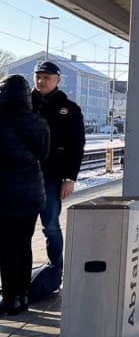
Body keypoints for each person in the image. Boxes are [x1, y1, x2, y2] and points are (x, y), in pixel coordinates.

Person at [31, 60, 85, 289]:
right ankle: (21, 274)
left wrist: (70, 178)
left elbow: (76, 146)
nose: (42, 81)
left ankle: (56, 270)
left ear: (57, 80)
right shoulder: (23, 104)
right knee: (19, 229)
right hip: (23, 179)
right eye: (39, 77)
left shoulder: (69, 109)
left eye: (47, 77)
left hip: (53, 178)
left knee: (50, 226)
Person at [0, 75, 50, 315]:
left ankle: (10, 299)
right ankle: (23, 295)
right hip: (31, 194)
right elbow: (43, 154)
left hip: (5, 194)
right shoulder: (38, 123)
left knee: (6, 248)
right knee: (23, 244)